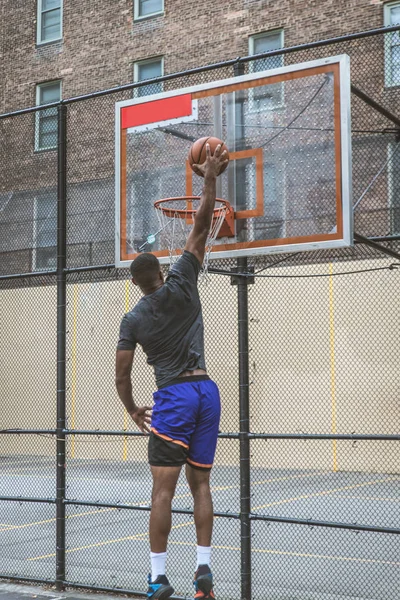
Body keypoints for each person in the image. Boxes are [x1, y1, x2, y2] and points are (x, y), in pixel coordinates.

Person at [115, 143, 229, 600]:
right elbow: (201, 226)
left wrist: (132, 410)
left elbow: (121, 375)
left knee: (163, 490)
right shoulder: (183, 280)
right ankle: (204, 572)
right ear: (161, 270)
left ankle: (158, 578)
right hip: (207, 391)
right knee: (201, 482)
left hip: (174, 398)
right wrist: (210, 179)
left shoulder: (133, 319)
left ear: (136, 284)